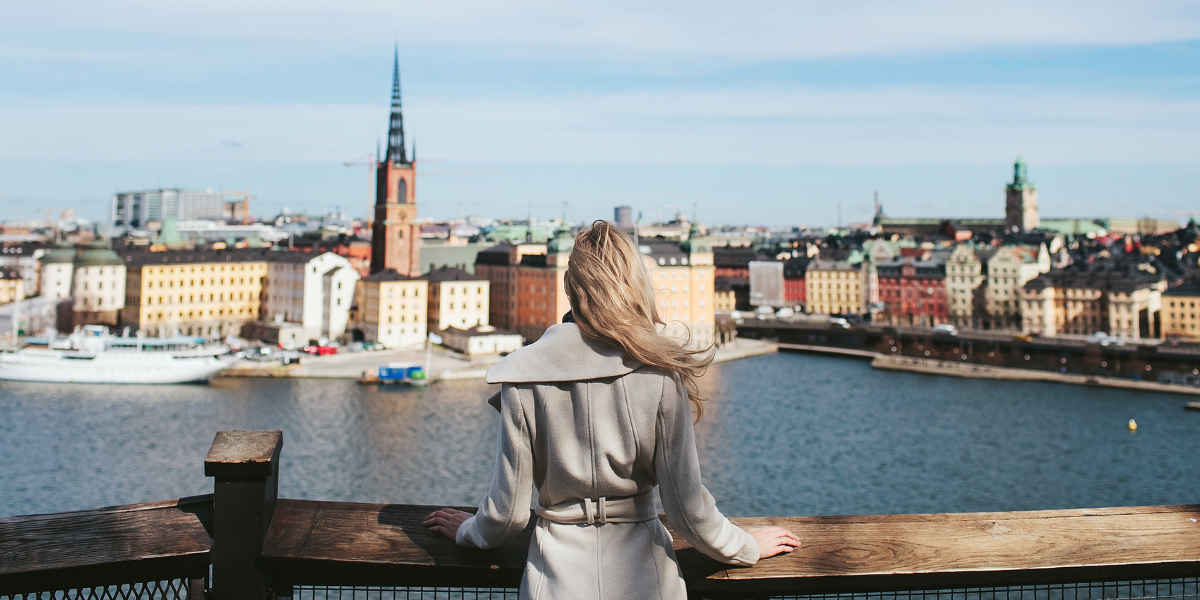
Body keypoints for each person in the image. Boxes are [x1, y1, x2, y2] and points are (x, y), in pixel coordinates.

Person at [424, 220, 799, 599]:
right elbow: (689, 511)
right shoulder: (660, 373)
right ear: (634, 287)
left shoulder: (523, 376)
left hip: (555, 583)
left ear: (570, 290)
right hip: (645, 581)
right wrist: (745, 545)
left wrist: (467, 530)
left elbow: (507, 517)